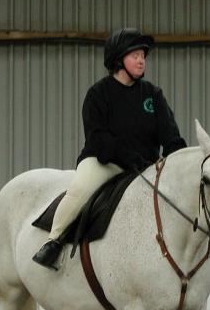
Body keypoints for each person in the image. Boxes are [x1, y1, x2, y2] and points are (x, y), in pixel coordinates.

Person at [32, 27, 187, 269]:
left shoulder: (153, 95)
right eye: (135, 55)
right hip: (105, 163)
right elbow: (97, 138)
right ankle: (53, 241)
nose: (141, 60)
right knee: (80, 189)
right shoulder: (98, 94)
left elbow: (170, 135)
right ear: (118, 58)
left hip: (146, 167)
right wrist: (128, 157)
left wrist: (180, 159)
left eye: (143, 55)